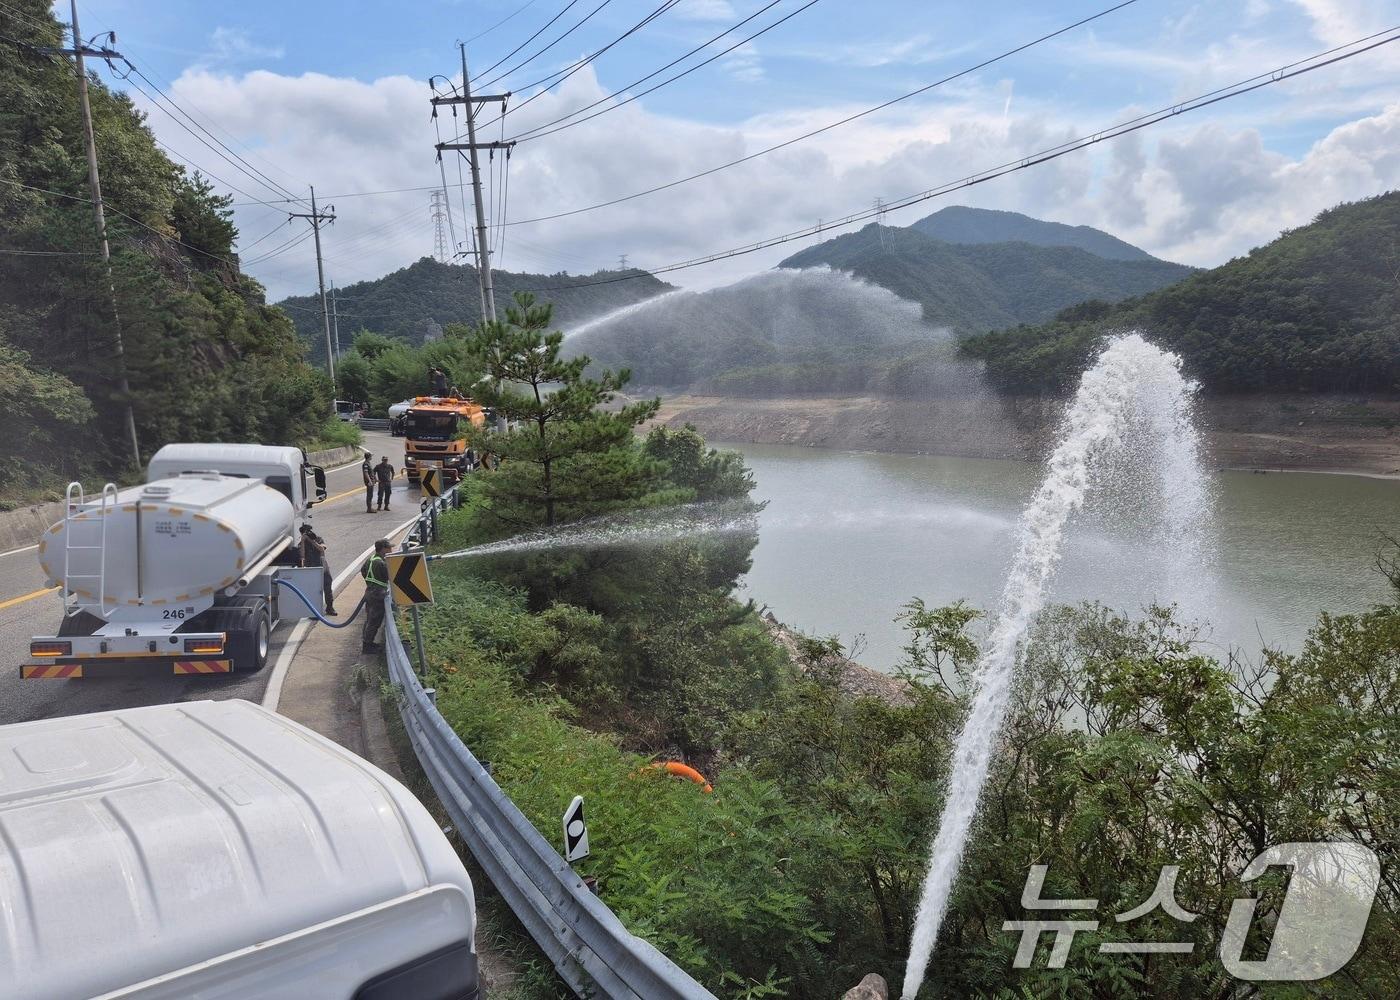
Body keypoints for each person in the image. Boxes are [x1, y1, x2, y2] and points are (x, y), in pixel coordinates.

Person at [298, 524, 337, 615]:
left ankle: (330, 608)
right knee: (313, 590)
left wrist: (312, 541)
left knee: (327, 588)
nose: (309, 533)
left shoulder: (318, 539)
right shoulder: (302, 543)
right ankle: (314, 611)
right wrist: (303, 541)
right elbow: (302, 557)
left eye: (309, 531)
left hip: (323, 567)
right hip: (312, 568)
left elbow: (322, 549)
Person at [360, 539, 392, 651]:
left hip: (369, 591)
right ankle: (368, 645)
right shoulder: (381, 563)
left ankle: (367, 642)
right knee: (374, 620)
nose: (391, 550)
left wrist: (370, 582)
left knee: (369, 618)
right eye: (389, 548)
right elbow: (390, 576)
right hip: (378, 594)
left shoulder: (371, 559)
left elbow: (363, 570)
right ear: (383, 548)